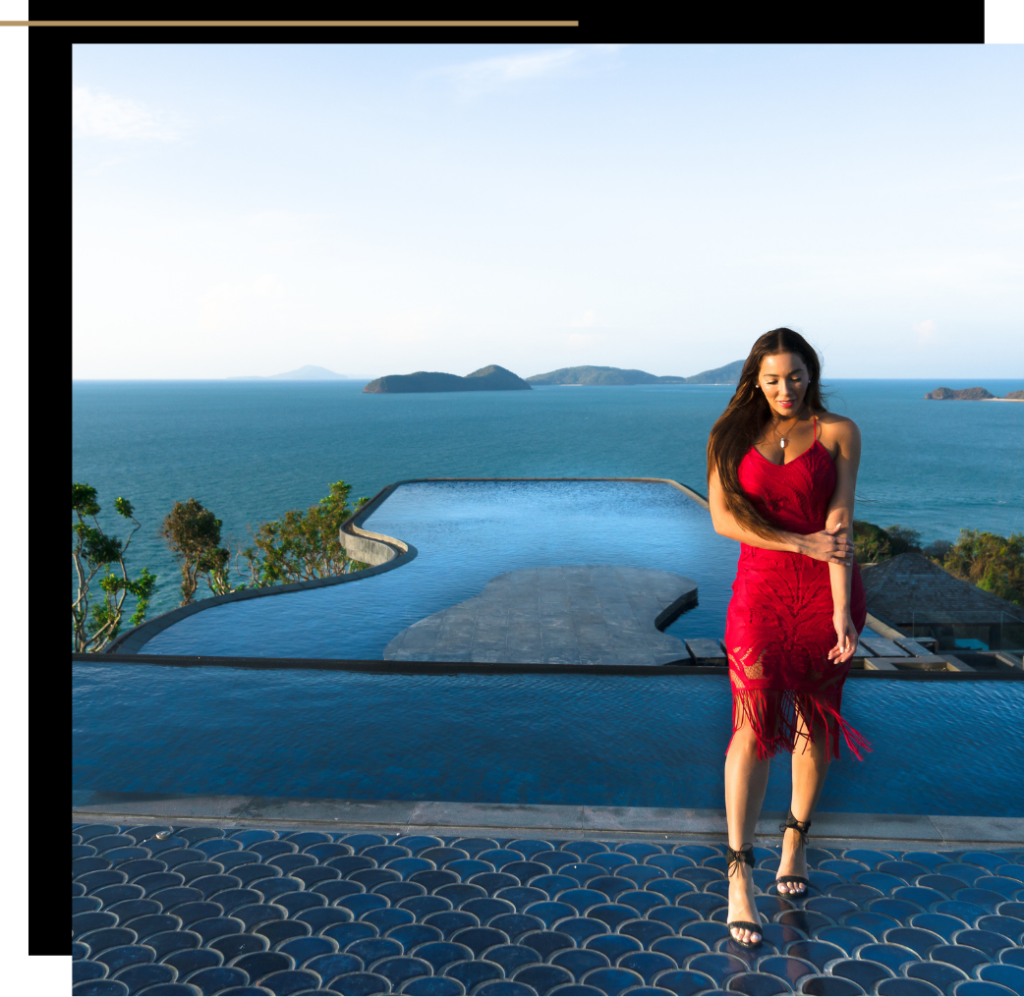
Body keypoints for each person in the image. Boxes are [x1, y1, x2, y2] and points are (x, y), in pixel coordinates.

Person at [706, 327, 871, 948]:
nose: (784, 388)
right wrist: (798, 542)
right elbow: (725, 519)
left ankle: (796, 840)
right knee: (749, 725)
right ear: (755, 378)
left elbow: (840, 522)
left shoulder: (838, 432)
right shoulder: (729, 435)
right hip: (759, 595)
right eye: (772, 378)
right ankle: (738, 873)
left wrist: (841, 612)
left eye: (795, 376)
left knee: (815, 720)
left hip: (825, 594)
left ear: (811, 374)